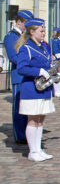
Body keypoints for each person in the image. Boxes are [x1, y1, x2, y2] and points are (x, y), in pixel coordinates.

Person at [15, 18, 56, 162]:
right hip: (31, 88)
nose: (44, 33)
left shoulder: (43, 47)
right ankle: (32, 151)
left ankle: (38, 149)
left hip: (44, 88)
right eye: (41, 30)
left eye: (44, 30)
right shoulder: (26, 48)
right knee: (33, 120)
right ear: (32, 32)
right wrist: (38, 71)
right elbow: (21, 68)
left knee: (40, 120)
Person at [3, 9, 34, 144]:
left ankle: (26, 132)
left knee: (27, 107)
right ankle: (19, 135)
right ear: (19, 22)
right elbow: (13, 57)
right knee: (18, 107)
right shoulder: (11, 36)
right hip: (18, 76)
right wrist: (29, 63)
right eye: (26, 24)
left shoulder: (25, 36)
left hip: (27, 75)